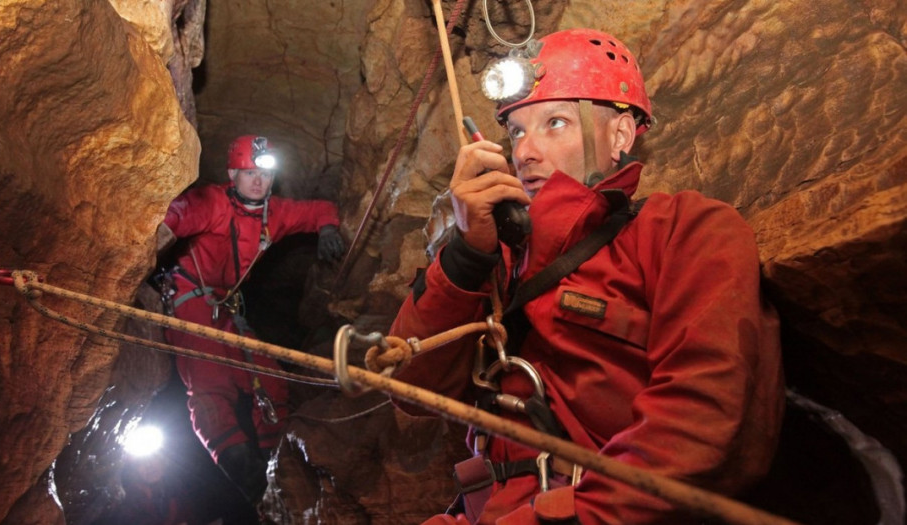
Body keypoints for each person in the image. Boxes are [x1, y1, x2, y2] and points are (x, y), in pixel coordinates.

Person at [389, 28, 785, 524]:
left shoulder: (684, 231)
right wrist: (467, 254)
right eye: (516, 131)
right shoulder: (497, 261)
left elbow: (702, 417)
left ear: (619, 136)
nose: (526, 151)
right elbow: (408, 388)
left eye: (554, 123)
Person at [158, 134, 345, 508]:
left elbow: (317, 209)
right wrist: (159, 234)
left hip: (223, 306)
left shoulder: (272, 213)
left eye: (263, 173)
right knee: (211, 385)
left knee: (270, 381)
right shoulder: (212, 201)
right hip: (187, 297)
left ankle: (276, 469)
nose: (257, 181)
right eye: (248, 173)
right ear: (232, 175)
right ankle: (244, 474)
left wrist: (328, 226)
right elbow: (176, 214)